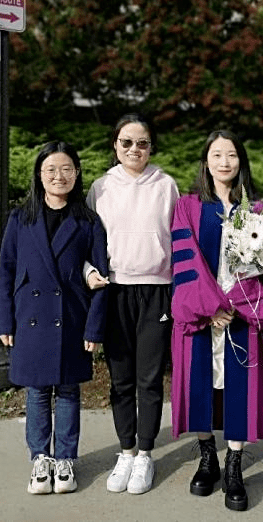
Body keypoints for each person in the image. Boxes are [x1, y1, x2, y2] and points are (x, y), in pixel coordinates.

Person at [171, 130, 263, 512]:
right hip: (201, 314)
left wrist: (237, 306)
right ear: (206, 161)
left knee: (241, 389)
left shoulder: (260, 212)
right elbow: (184, 263)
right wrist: (209, 307)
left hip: (241, 313)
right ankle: (208, 459)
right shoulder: (187, 206)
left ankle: (234, 465)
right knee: (198, 386)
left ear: (241, 161)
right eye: (216, 154)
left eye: (231, 154)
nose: (224, 162)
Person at [0, 141, 108, 495]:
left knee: (69, 390)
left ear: (77, 174)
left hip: (72, 317)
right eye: (51, 170)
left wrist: (94, 325)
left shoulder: (88, 221)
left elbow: (102, 277)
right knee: (37, 390)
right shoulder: (20, 218)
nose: (59, 176)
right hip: (30, 315)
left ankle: (65, 459)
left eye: (66, 169)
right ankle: (39, 459)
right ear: (39, 175)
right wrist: (4, 321)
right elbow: (6, 271)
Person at [86, 113, 179, 495]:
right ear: (115, 145)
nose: (134, 149)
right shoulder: (101, 187)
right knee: (121, 379)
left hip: (157, 289)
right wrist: (90, 270)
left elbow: (179, 238)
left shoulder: (166, 185)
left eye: (141, 143)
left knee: (149, 378)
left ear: (151, 147)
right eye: (127, 142)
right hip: (115, 290)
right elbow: (87, 241)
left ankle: (145, 454)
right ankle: (125, 451)